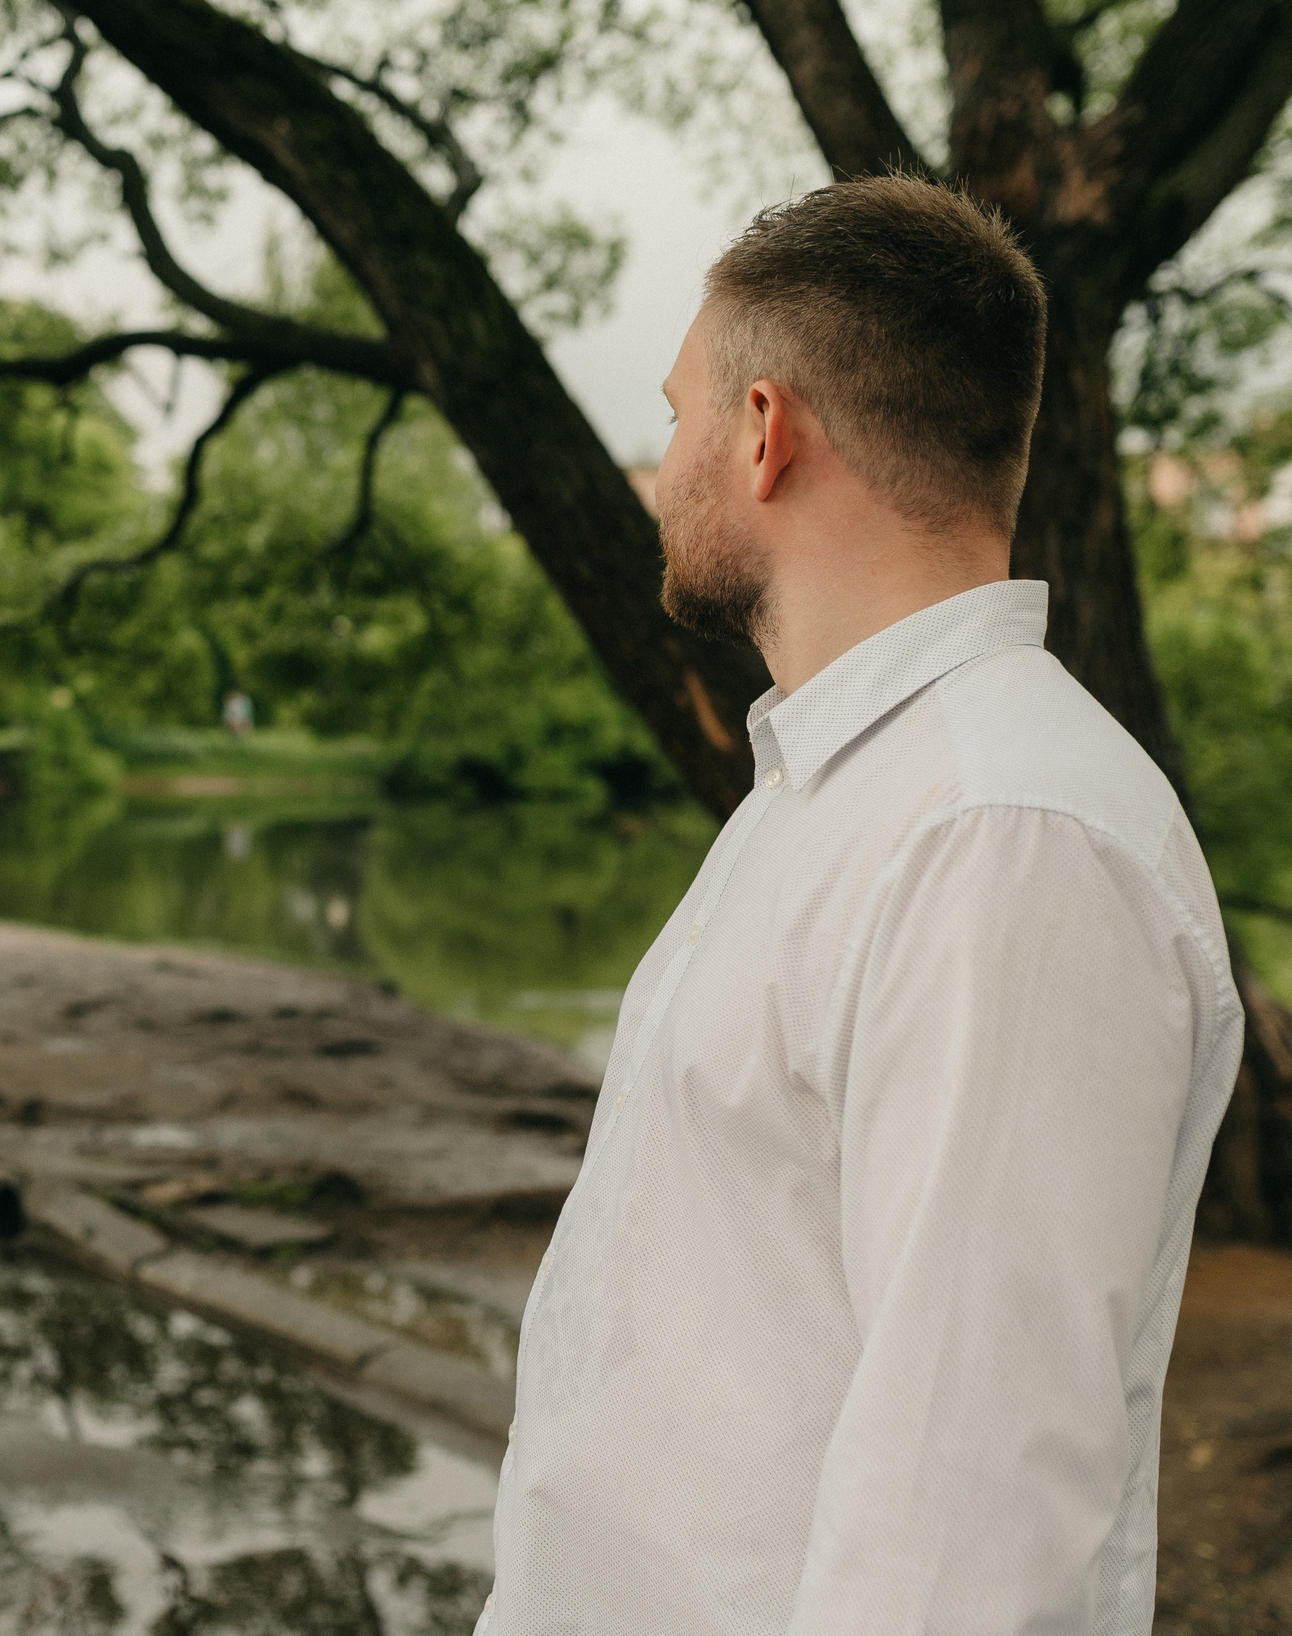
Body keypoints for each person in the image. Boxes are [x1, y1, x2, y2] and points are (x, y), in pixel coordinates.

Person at [481, 179, 1241, 1633]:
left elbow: (965, 1529)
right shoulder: (830, 793)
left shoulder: (1001, 836)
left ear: (762, 432)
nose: (666, 465)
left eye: (678, 415)